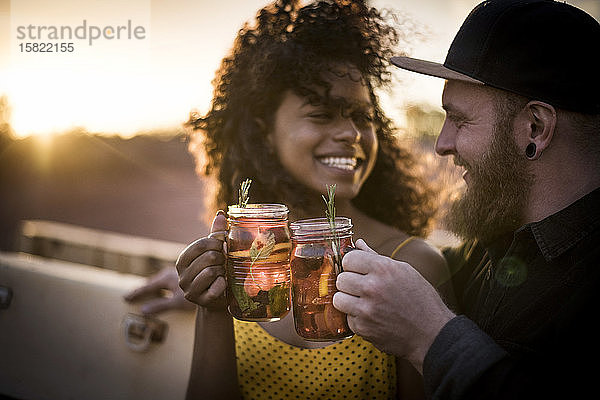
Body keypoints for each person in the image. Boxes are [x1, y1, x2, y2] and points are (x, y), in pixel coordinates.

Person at [166, 1, 458, 399]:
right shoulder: (242, 263)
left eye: (362, 116)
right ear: (263, 132)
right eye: (322, 115)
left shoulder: (412, 265)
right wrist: (212, 305)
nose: (351, 133)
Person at [332, 0, 600, 398]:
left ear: (535, 126)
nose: (442, 144)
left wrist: (430, 337)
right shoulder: (490, 249)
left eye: (459, 119)